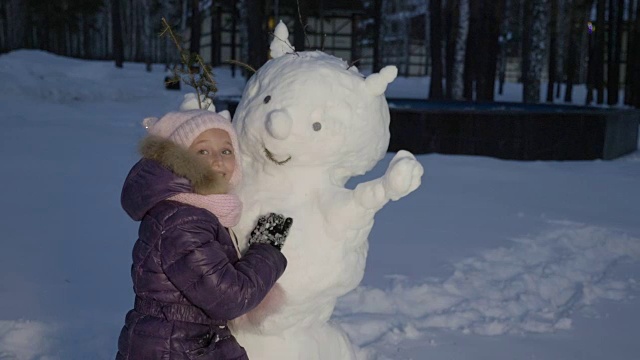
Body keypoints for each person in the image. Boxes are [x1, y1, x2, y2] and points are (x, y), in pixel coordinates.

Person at [116, 109, 292, 360]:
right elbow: (229, 297)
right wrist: (267, 249)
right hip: (175, 349)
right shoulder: (182, 221)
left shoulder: (194, 211)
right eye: (202, 151)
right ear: (179, 160)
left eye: (226, 151)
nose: (218, 161)